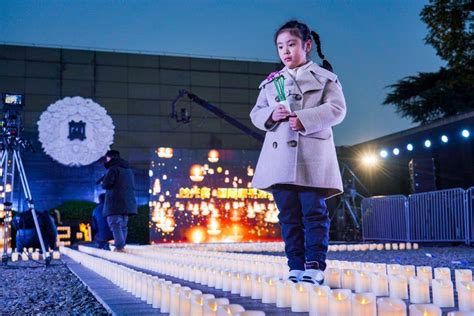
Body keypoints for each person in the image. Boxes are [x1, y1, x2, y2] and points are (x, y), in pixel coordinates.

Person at [250, 20, 346, 284]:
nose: (285, 51)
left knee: (314, 213)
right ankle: (295, 266)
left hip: (312, 157)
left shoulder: (325, 78)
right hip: (279, 161)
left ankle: (314, 265)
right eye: (280, 46)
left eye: (291, 44)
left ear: (307, 45)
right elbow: (256, 114)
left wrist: (304, 118)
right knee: (288, 216)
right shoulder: (271, 82)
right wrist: (271, 113)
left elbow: (337, 110)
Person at [100, 150, 137, 252]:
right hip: (127, 204)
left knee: (115, 224)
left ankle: (119, 247)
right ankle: (121, 246)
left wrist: (103, 182)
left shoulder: (113, 169)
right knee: (123, 225)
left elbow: (107, 184)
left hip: (114, 203)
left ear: (109, 158)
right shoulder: (128, 169)